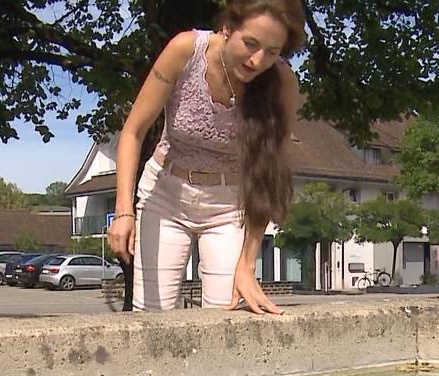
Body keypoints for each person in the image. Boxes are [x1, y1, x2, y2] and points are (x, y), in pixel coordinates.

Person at [107, 0, 305, 313]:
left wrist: (248, 264)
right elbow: (133, 132)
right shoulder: (185, 50)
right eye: (250, 44)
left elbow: (268, 174)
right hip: (165, 195)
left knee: (225, 314)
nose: (257, 60)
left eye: (271, 51)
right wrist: (123, 212)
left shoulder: (281, 84)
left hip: (227, 206)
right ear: (228, 28)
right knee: (153, 317)